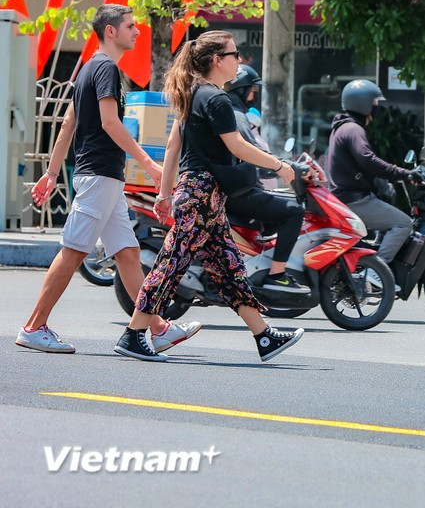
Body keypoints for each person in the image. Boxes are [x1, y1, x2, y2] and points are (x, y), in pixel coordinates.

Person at [16, 4, 202, 355]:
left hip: (104, 177)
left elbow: (68, 124)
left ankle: (158, 327)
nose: (137, 32)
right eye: (130, 26)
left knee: (128, 253)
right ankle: (34, 326)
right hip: (99, 175)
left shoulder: (87, 69)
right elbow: (109, 122)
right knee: (73, 251)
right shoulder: (105, 69)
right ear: (111, 31)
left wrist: (52, 173)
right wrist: (149, 162)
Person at [115, 30, 304, 362]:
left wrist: (164, 193)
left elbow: (174, 147)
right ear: (218, 60)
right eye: (235, 55)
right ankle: (133, 336)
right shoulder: (215, 99)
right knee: (170, 265)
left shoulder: (193, 93)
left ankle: (264, 337)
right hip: (202, 196)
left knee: (230, 269)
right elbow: (236, 145)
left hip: (202, 196)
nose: (239, 60)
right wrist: (279, 165)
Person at [222, 64, 307, 293]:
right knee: (294, 210)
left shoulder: (232, 113)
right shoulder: (238, 116)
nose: (254, 95)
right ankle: (277, 274)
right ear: (240, 89)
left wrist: (286, 165)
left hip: (235, 189)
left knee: (275, 203)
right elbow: (254, 155)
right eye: (252, 89)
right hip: (240, 193)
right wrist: (286, 167)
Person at [326, 79, 421, 264]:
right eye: (374, 102)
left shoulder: (343, 127)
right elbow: (368, 160)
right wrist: (404, 174)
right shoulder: (353, 130)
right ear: (363, 103)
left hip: (348, 197)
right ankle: (378, 273)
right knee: (403, 224)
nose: (377, 107)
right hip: (353, 200)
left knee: (388, 206)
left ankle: (376, 260)